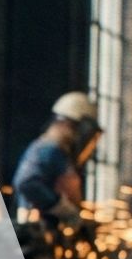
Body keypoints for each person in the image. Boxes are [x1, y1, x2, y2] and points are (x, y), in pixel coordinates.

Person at [12, 91, 103, 223]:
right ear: (68, 124)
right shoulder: (48, 149)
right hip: (35, 229)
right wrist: (60, 206)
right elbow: (26, 183)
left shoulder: (58, 153)